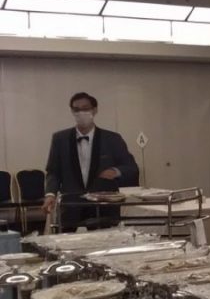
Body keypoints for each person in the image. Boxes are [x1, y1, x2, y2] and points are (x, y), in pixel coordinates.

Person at [43, 92, 139, 229]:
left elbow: (131, 167)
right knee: (67, 241)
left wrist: (116, 171)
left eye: (85, 108)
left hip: (103, 207)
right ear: (72, 112)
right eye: (76, 109)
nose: (81, 113)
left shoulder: (112, 139)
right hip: (71, 206)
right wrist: (50, 194)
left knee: (106, 242)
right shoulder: (60, 139)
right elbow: (53, 172)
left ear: (94, 110)